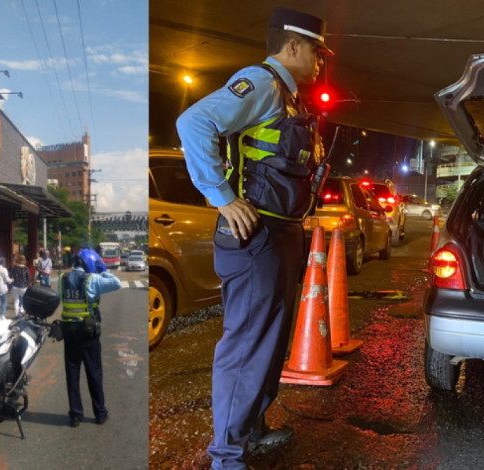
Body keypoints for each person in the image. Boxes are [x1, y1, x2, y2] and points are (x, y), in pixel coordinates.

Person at [176, 7, 332, 469]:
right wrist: (222, 198)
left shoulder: (288, 97)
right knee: (247, 345)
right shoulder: (261, 82)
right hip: (253, 236)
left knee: (270, 342)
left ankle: (249, 430)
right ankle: (227, 456)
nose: (321, 62)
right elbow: (193, 123)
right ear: (293, 47)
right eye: (317, 52)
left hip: (280, 233)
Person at [59, 248, 120, 428]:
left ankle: (75, 415)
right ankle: (100, 413)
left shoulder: (62, 279)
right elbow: (116, 283)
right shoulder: (92, 280)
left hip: (69, 330)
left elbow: (58, 297)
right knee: (94, 372)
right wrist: (103, 270)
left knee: (72, 373)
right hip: (87, 332)